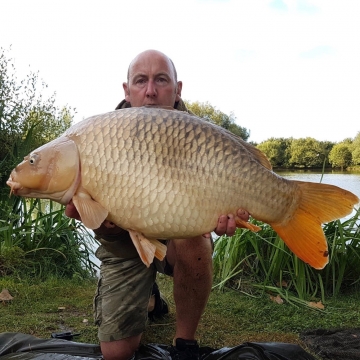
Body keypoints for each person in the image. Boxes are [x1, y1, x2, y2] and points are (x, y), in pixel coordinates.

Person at [65, 49, 250, 360]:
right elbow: (96, 221)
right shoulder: (100, 136)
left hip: (178, 237)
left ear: (177, 89)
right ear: (127, 90)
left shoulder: (198, 135)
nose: (150, 91)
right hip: (125, 242)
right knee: (117, 353)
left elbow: (219, 195)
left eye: (161, 80)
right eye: (141, 81)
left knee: (197, 237)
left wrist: (225, 214)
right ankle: (149, 297)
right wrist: (105, 224)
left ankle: (185, 344)